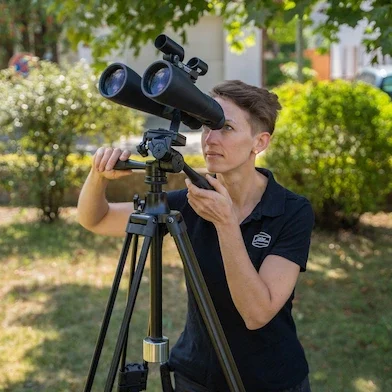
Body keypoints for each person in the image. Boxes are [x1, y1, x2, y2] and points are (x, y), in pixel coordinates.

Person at [77, 80, 314, 392]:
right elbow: (97, 219)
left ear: (260, 142)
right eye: (206, 126)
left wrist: (226, 224)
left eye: (226, 128)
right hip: (196, 375)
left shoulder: (292, 211)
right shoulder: (190, 200)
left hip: (269, 378)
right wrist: (98, 176)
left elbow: (257, 313)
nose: (210, 139)